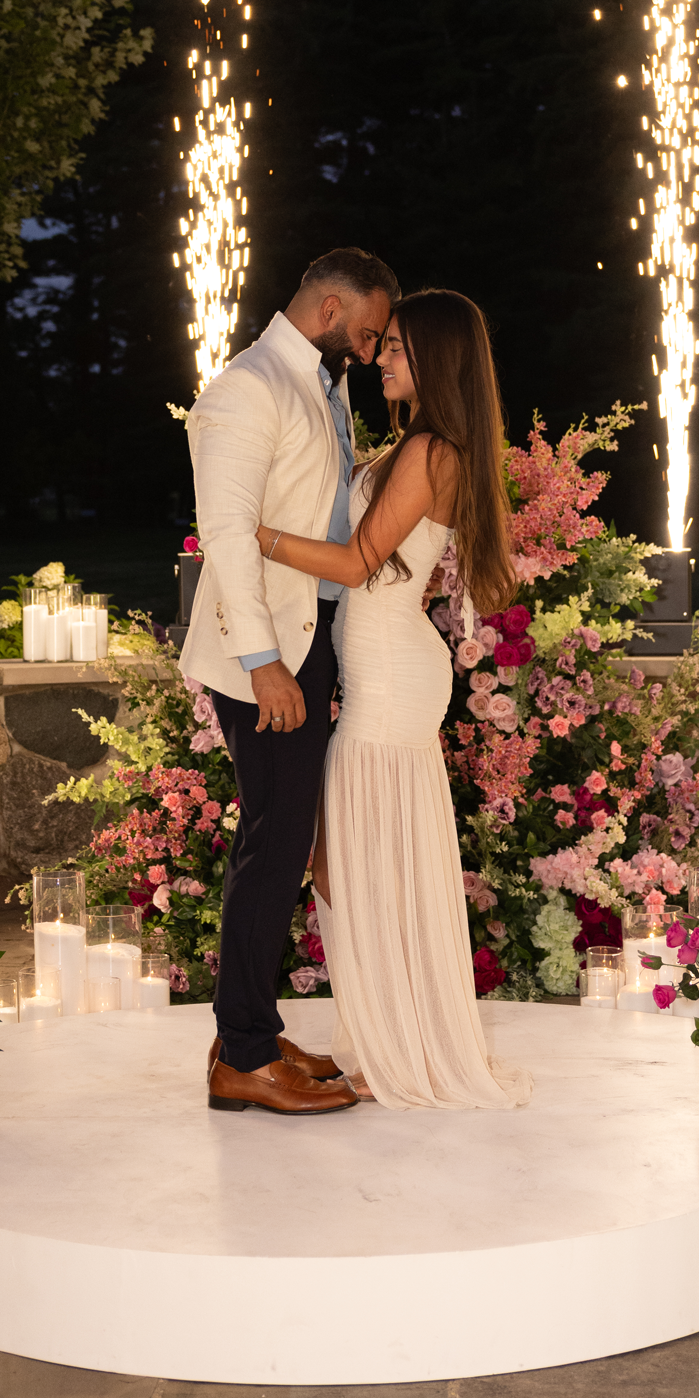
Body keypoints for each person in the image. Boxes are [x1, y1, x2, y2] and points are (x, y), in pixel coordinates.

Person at [256, 289, 530, 1110]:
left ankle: (397, 1048)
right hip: (379, 668)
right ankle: (384, 1037)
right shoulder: (412, 446)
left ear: (438, 360)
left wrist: (250, 533)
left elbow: (353, 563)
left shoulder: (430, 450)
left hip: (387, 676)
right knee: (343, 859)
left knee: (355, 858)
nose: (382, 358)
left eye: (401, 348)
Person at [183, 246, 400, 1116]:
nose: (376, 346)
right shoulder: (248, 386)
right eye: (372, 328)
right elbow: (226, 534)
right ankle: (240, 1055)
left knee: (282, 839)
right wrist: (263, 660)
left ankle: (251, 1028)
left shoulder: (321, 381)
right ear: (332, 303)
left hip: (306, 639)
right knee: (273, 846)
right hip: (265, 652)